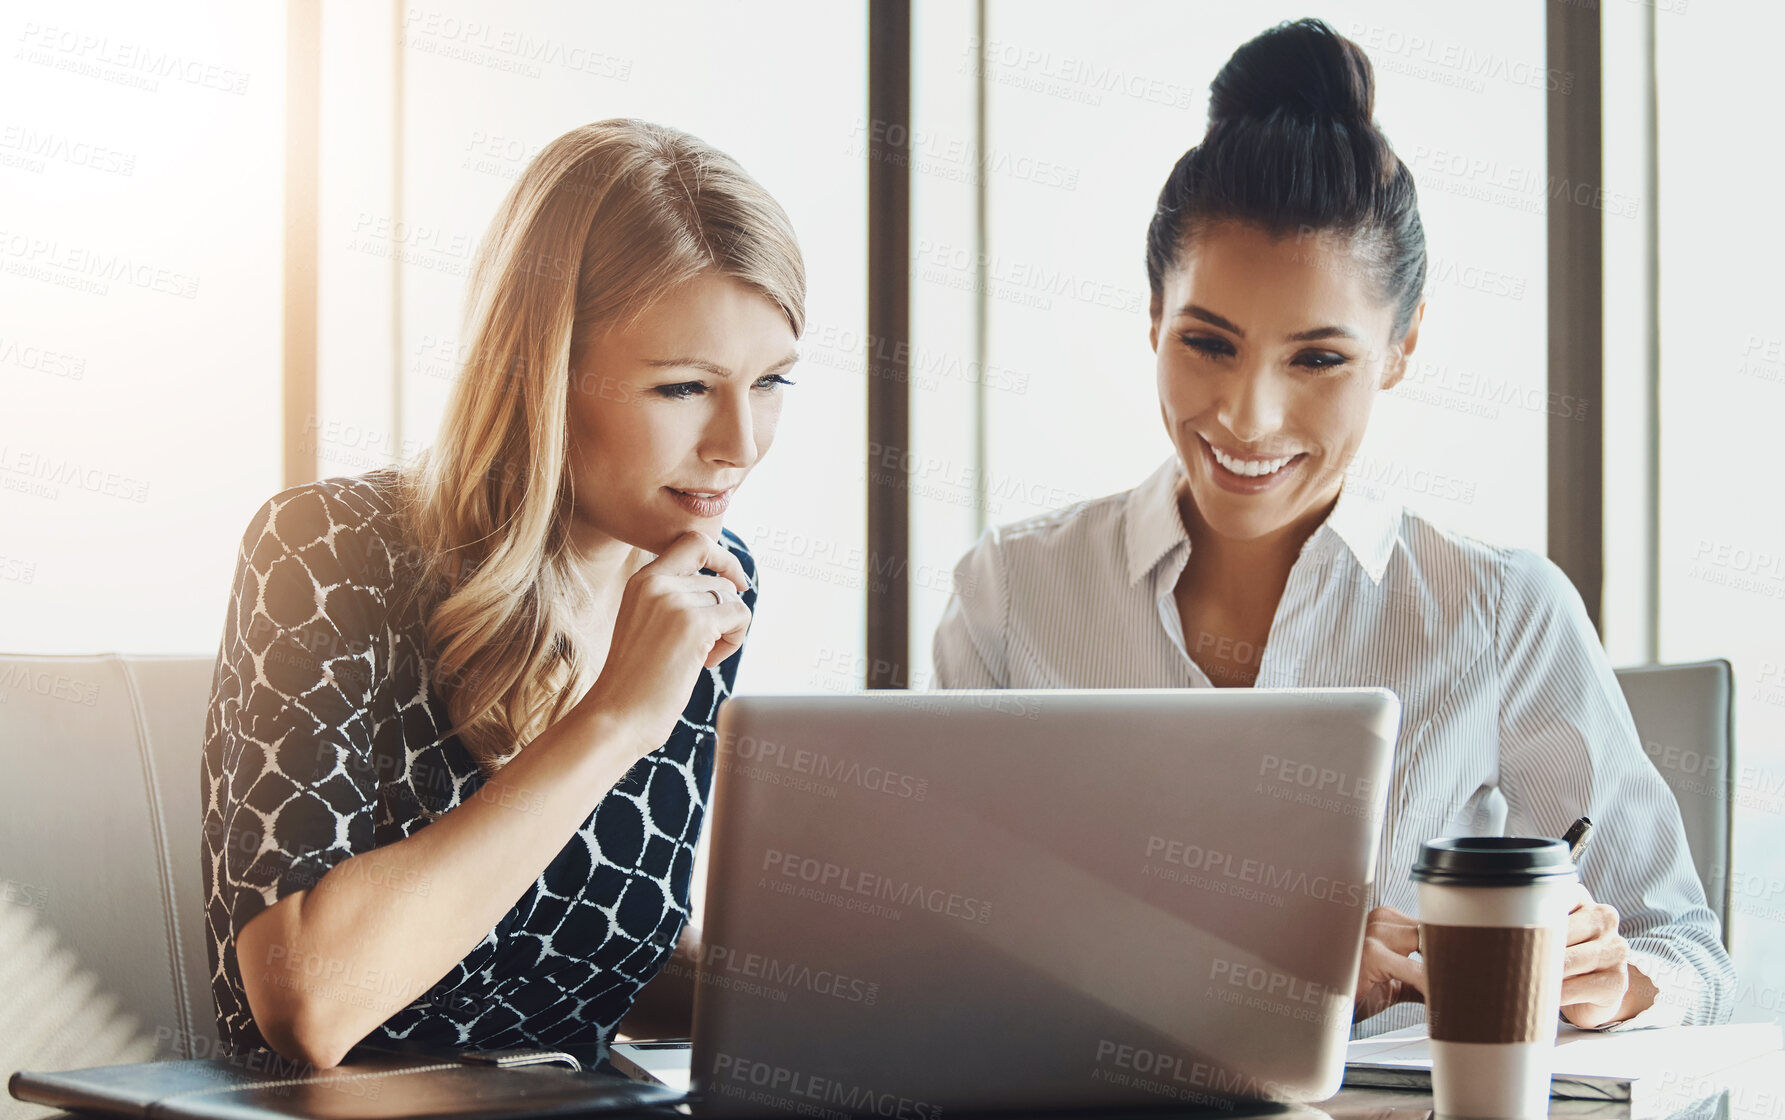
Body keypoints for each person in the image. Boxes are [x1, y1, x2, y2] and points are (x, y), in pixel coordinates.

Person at [932, 19, 1734, 1036]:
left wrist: (1612, 981)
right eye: (1208, 343)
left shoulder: (1501, 613)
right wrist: (1267, 966)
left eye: (1318, 360)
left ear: (1402, 346)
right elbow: (951, 941)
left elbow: (1686, 951)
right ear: (1151, 317)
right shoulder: (1013, 594)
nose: (1247, 417)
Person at [200, 119, 805, 1068]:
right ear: (544, 373)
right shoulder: (327, 554)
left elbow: (565, 954)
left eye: (771, 382)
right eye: (685, 387)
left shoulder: (702, 585)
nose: (740, 443)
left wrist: (846, 982)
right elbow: (311, 1003)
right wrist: (611, 720)